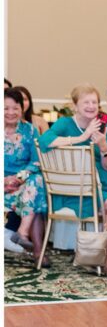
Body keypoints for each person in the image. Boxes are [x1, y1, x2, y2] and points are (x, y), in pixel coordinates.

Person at [39, 84, 107, 274]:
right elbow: (44, 141)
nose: (91, 106)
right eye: (86, 102)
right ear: (75, 105)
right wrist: (81, 138)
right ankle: (105, 257)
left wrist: (103, 147)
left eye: (94, 102)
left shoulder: (104, 127)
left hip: (104, 184)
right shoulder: (65, 123)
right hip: (77, 188)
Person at [4, 88, 48, 266]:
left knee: (36, 182)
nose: (11, 112)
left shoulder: (29, 130)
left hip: (23, 184)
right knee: (36, 198)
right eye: (5, 108)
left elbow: (36, 161)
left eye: (15, 108)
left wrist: (21, 177)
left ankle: (22, 233)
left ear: (22, 109)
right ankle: (37, 251)